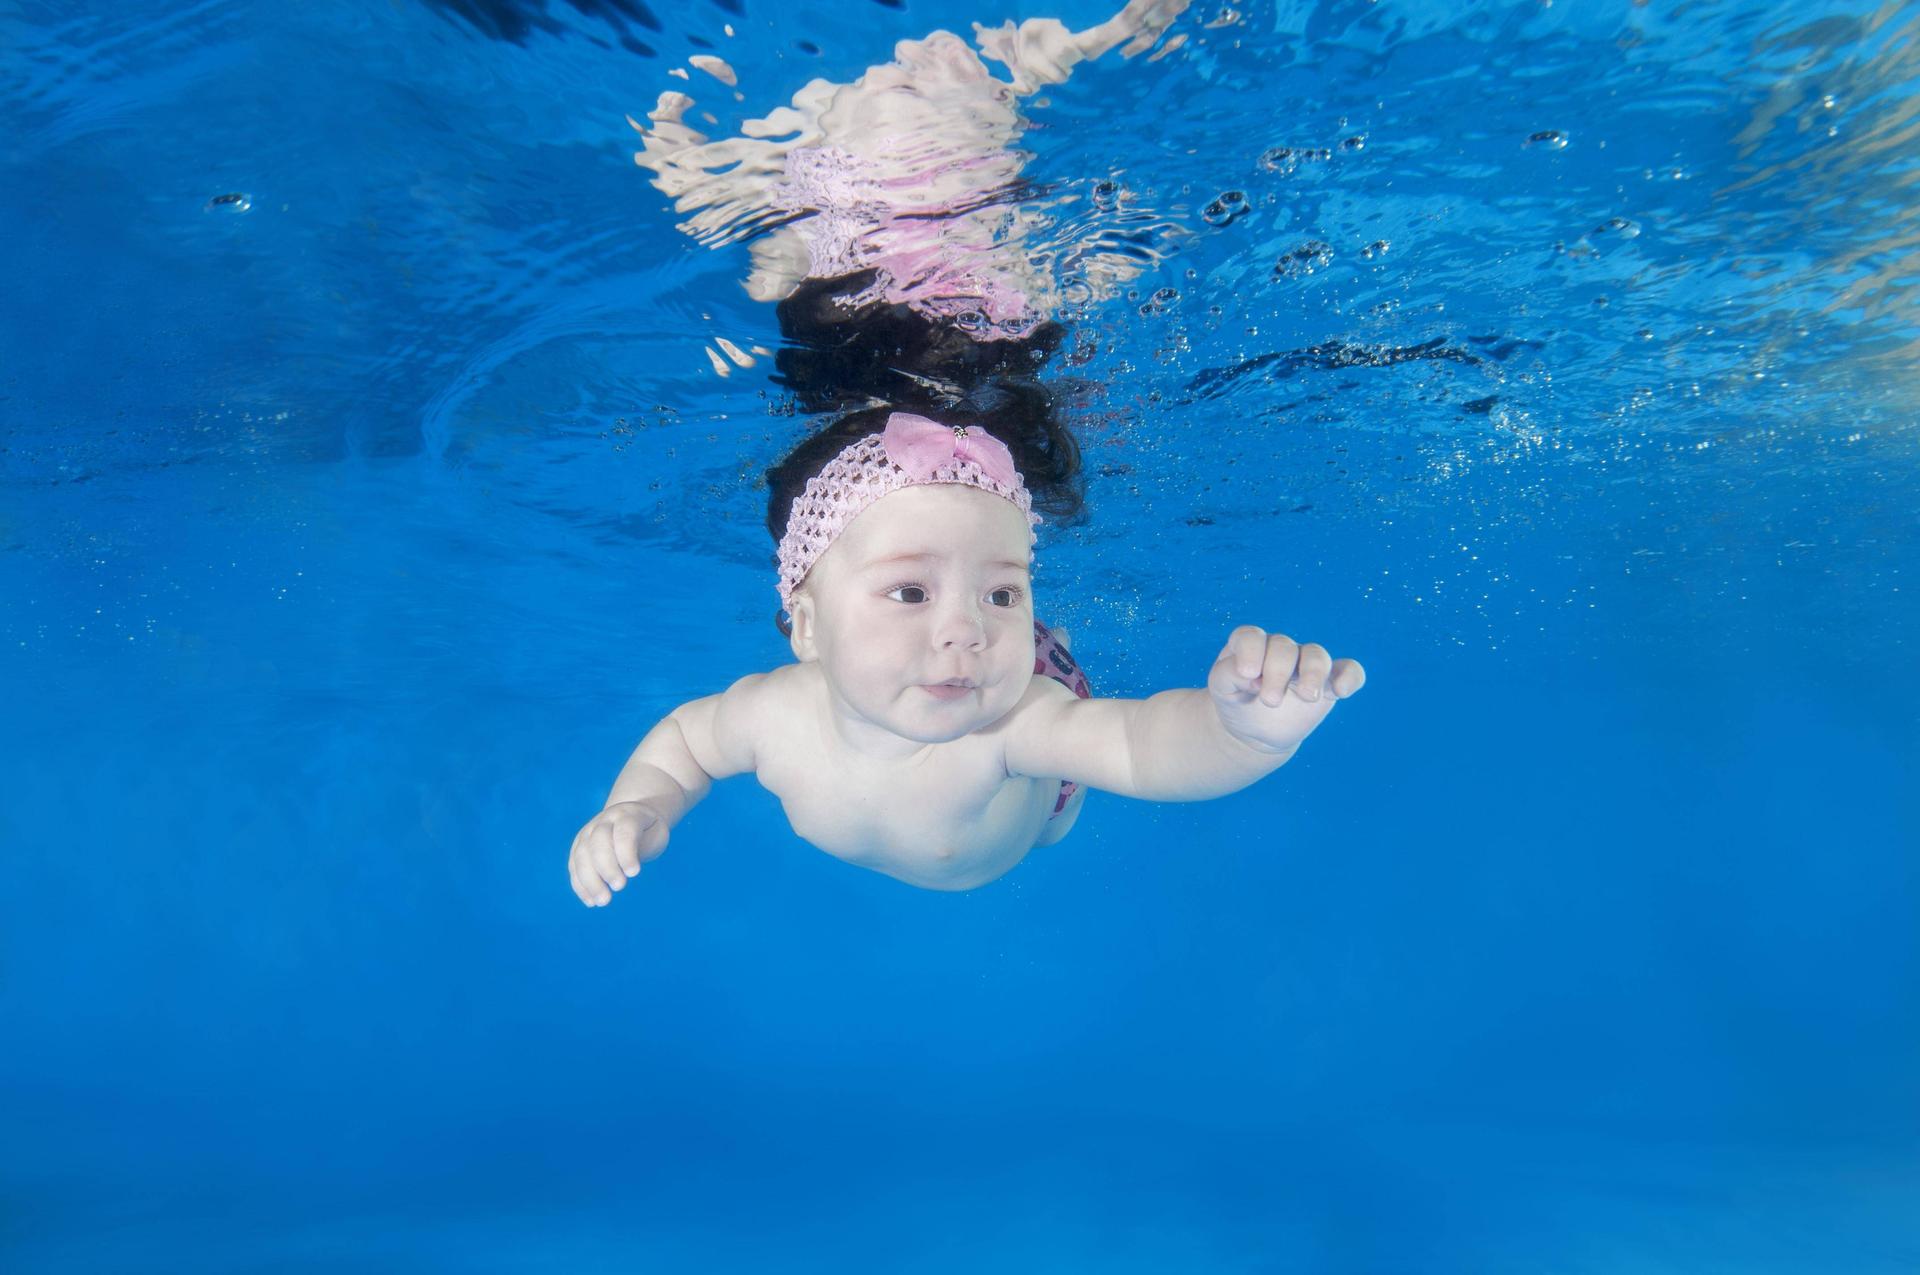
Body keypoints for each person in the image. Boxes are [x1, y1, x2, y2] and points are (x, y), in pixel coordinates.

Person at [566, 409, 1365, 902]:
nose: (965, 630)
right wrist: (637, 806)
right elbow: (681, 744)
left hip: (1037, 797)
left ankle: (1048, 643)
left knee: (1054, 765)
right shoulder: (770, 714)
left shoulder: (1012, 729)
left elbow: (1138, 745)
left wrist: (1244, 734)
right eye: (911, 592)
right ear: (804, 625)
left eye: (1002, 593)